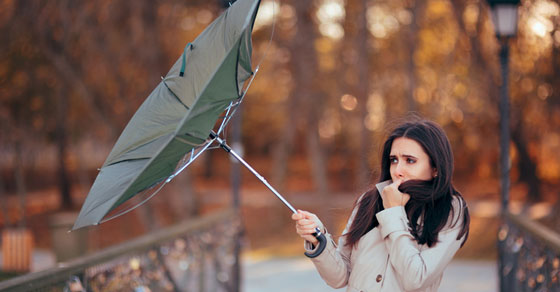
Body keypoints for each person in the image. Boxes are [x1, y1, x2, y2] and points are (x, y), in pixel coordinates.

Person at [292, 118, 470, 292]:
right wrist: (318, 237)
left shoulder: (450, 210)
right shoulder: (370, 201)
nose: (398, 170)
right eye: (394, 160)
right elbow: (340, 277)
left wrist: (394, 212)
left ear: (435, 167)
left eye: (410, 160)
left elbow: (415, 279)